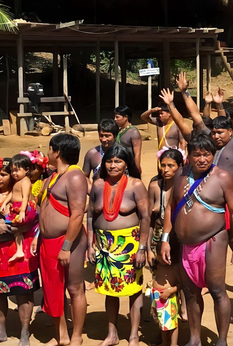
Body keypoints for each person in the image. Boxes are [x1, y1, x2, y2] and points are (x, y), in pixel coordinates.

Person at [159, 72, 233, 346]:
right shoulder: (182, 174)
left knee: (216, 290)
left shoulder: (230, 156)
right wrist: (180, 97)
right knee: (190, 293)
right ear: (189, 154)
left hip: (214, 239)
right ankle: (194, 338)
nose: (202, 157)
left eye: (206, 154)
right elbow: (170, 209)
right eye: (197, 154)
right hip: (185, 243)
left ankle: (222, 340)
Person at [88, 143, 150, 346]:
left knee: (133, 290)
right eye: (109, 161)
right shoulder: (98, 185)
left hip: (129, 245)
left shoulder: (136, 186)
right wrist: (90, 244)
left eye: (118, 161)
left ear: (126, 164)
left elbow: (146, 218)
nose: (112, 165)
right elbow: (90, 215)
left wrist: (142, 248)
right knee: (109, 291)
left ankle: (133, 334)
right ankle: (112, 333)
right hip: (104, 245)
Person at [0, 158, 40, 346]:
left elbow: (32, 217)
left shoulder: (22, 190)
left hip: (18, 249)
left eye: (3, 174)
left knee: (23, 293)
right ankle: (0, 332)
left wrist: (15, 227)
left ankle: (25, 333)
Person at [38, 133, 88, 346]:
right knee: (52, 289)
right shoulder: (51, 177)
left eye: (50, 148)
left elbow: (77, 214)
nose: (47, 152)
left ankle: (76, 335)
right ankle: (61, 335)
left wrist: (66, 246)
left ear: (57, 151)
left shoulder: (75, 177)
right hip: (47, 241)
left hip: (69, 240)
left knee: (74, 287)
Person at [150, 239, 182, 346]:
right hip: (157, 297)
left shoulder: (174, 268)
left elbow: (180, 284)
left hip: (169, 298)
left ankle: (173, 344)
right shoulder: (157, 265)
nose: (163, 258)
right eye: (160, 255)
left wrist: (171, 291)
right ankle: (165, 343)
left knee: (172, 324)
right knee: (162, 324)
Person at [114, 105, 143, 174]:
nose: (115, 119)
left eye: (117, 117)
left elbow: (137, 154)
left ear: (125, 117)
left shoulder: (133, 132)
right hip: (117, 167)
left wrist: (136, 172)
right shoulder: (118, 130)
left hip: (128, 169)